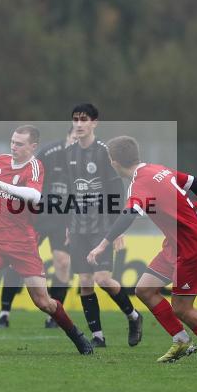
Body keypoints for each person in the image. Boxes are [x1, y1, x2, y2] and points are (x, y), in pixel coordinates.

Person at [87, 135, 197, 364]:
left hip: (191, 247)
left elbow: (128, 215)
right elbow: (194, 181)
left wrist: (102, 244)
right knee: (145, 290)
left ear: (114, 162)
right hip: (174, 245)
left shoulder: (139, 184)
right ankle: (181, 340)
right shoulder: (156, 168)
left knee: (182, 308)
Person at [0, 125, 93, 354]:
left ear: (33, 146)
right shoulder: (1, 161)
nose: (14, 147)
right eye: (12, 142)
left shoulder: (34, 166)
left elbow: (34, 195)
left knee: (44, 302)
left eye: (20, 144)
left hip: (23, 244)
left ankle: (76, 335)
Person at [65, 104, 142, 348]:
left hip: (101, 228)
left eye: (83, 119)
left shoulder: (104, 153)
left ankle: (134, 316)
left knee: (103, 279)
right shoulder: (69, 153)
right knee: (85, 282)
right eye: (75, 119)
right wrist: (68, 223)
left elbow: (116, 192)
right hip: (78, 227)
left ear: (94, 123)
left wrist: (116, 230)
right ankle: (98, 336)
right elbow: (71, 190)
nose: (78, 124)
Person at [0, 124, 76, 329]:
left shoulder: (85, 160)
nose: (79, 144)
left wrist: (73, 222)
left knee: (63, 263)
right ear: (68, 137)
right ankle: (4, 311)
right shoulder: (49, 153)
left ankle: (55, 315)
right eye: (75, 138)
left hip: (62, 219)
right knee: (16, 261)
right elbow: (28, 176)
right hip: (38, 216)